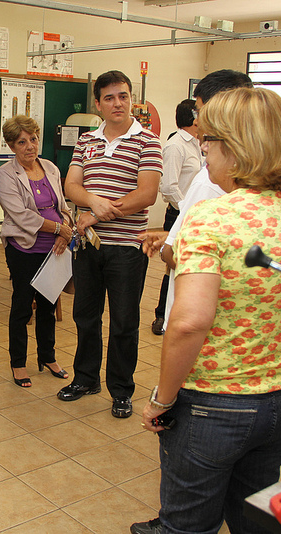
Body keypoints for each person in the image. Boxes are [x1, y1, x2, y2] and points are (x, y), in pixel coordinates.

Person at [130, 87, 281, 534]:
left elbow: (189, 322)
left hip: (212, 407)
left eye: (210, 140)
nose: (204, 149)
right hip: (280, 404)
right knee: (251, 519)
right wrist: (272, 355)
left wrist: (161, 400)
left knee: (187, 524)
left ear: (236, 147)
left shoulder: (212, 217)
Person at [57, 70, 162, 419]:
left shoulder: (148, 141)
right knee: (85, 316)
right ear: (98, 103)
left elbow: (146, 194)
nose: (118, 103)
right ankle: (86, 378)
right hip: (89, 246)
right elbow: (71, 185)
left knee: (123, 322)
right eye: (110, 98)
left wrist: (97, 215)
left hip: (128, 249)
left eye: (124, 96)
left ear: (132, 99)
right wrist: (93, 203)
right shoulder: (86, 141)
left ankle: (121, 389)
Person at [141, 70, 253, 333]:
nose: (198, 121)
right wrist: (174, 233)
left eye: (201, 111)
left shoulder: (212, 179)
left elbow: (179, 255)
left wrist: (173, 243)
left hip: (203, 326)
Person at [0, 115, 73, 388]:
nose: (30, 146)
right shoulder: (5, 174)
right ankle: (18, 363)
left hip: (54, 248)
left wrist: (66, 229)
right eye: (22, 142)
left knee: (48, 306)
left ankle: (47, 356)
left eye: (33, 139)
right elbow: (20, 215)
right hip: (24, 248)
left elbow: (63, 206)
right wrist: (57, 229)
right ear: (11, 146)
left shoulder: (50, 167)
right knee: (22, 306)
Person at [151, 99, 202, 336]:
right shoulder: (176, 145)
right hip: (179, 213)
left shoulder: (199, 144)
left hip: (197, 214)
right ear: (193, 118)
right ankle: (162, 315)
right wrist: (188, 210)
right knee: (171, 266)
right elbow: (168, 186)